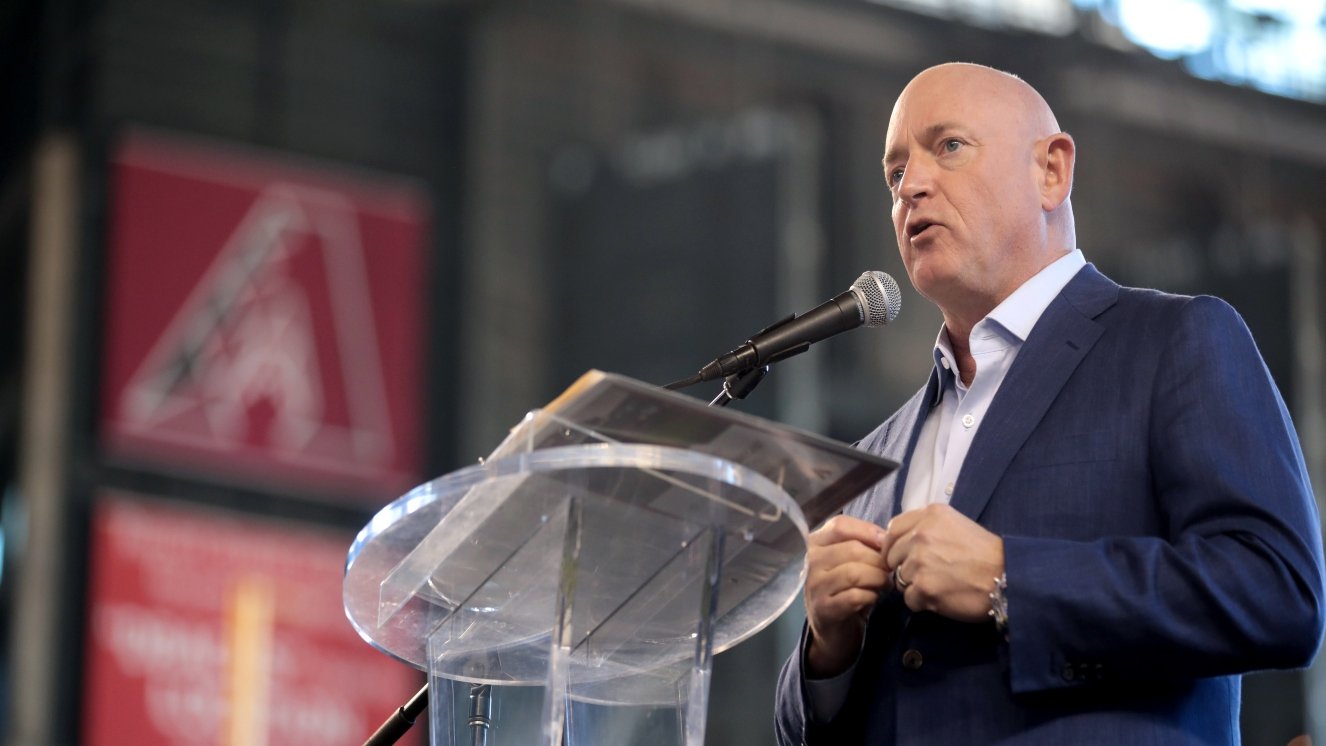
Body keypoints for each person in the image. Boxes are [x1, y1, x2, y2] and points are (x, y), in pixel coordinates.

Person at [775, 62, 1325, 744]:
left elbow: (1276, 591)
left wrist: (1009, 579)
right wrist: (828, 649)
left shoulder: (1174, 342)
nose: (911, 185)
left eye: (949, 146)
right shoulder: (876, 455)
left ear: (1051, 171)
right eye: (894, 174)